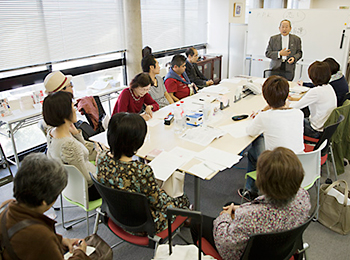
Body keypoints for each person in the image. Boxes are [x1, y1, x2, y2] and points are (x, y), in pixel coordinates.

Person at [191, 147, 311, 260]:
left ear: (263, 183)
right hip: (283, 248)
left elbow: (224, 244)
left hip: (245, 254)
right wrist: (238, 209)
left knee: (196, 221)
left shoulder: (250, 217)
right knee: (231, 204)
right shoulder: (303, 196)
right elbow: (264, 208)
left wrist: (225, 216)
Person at [96, 112, 190, 233]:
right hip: (144, 224)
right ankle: (186, 216)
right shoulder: (141, 170)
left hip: (115, 214)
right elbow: (159, 204)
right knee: (181, 198)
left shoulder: (102, 157)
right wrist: (170, 196)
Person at [0, 153, 89, 259]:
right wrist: (80, 253)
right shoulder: (41, 236)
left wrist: (60, 240)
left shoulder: (6, 208)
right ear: (44, 202)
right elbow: (37, 241)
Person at [238, 75, 304, 200]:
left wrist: (262, 113)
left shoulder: (265, 117)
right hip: (298, 165)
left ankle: (251, 191)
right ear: (286, 94)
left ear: (265, 97)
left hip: (278, 169)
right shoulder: (298, 113)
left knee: (254, 150)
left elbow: (250, 131)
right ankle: (251, 189)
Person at [43, 91, 100, 201]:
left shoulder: (52, 133)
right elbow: (88, 180)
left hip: (68, 187)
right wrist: (102, 170)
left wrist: (76, 134)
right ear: (63, 112)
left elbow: (82, 151)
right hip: (87, 191)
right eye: (72, 107)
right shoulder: (69, 145)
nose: (75, 109)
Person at [290, 61, 337, 138]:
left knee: (289, 118)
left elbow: (294, 107)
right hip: (324, 128)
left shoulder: (316, 91)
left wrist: (285, 103)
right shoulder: (329, 87)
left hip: (315, 130)